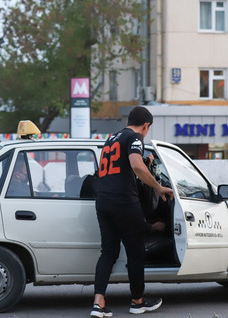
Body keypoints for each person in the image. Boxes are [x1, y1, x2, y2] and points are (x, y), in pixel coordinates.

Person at [91, 106, 174, 318]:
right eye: (148, 129)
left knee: (108, 252)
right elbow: (136, 166)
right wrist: (158, 187)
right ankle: (138, 302)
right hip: (124, 203)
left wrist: (146, 164)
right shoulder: (135, 138)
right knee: (136, 252)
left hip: (103, 202)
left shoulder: (111, 138)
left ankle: (98, 304)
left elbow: (121, 169)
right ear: (146, 126)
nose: (146, 134)